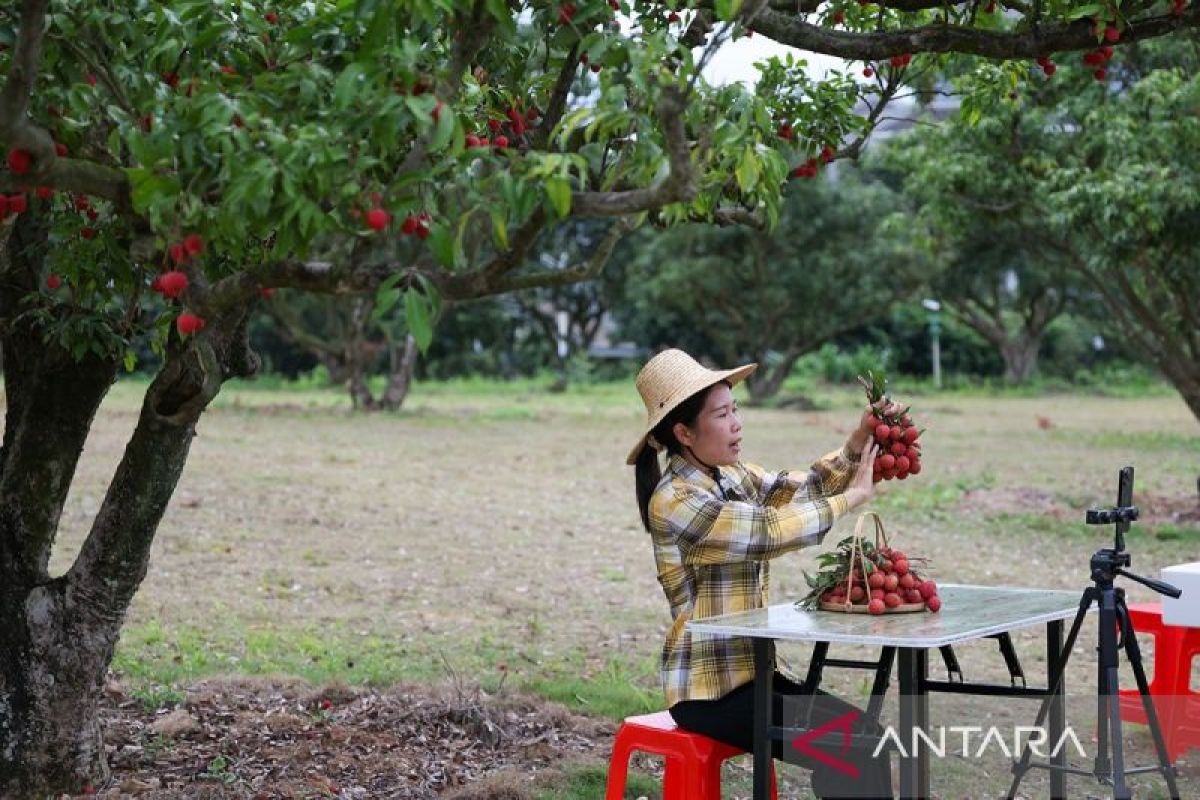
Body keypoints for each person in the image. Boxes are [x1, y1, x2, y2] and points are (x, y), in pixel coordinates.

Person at [627, 348, 901, 799]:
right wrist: (852, 499)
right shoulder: (674, 499)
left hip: (753, 676)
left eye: (735, 409)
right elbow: (767, 533)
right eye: (721, 414)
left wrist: (858, 441)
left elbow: (805, 488)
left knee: (864, 737)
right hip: (709, 695)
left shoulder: (733, 475)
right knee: (850, 746)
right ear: (684, 432)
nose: (737, 422)